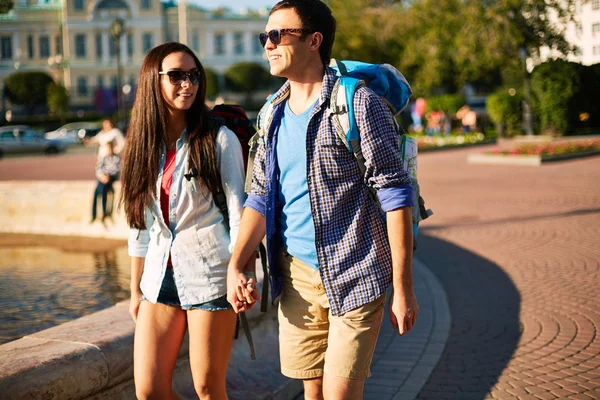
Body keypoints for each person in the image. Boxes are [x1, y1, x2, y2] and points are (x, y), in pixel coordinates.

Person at [226, 1, 419, 399]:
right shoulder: (271, 113)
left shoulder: (357, 104)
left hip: (355, 274)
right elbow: (260, 195)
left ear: (315, 41)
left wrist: (403, 288)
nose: (269, 44)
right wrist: (237, 263)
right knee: (312, 394)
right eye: (266, 35)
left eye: (279, 34)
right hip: (296, 279)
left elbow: (396, 197)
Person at [120, 42, 252, 400]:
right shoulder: (140, 145)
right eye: (176, 75)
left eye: (193, 75)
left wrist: (240, 271)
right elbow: (139, 226)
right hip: (158, 279)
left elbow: (240, 214)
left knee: (208, 389)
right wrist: (135, 290)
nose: (187, 84)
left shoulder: (216, 138)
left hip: (210, 275)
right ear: (153, 80)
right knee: (149, 390)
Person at [91, 141, 120, 223]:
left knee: (102, 189)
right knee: (96, 192)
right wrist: (102, 176)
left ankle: (104, 212)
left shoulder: (116, 158)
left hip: (111, 177)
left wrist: (108, 176)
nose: (109, 150)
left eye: (110, 148)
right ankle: (94, 214)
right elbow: (98, 169)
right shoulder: (104, 158)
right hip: (103, 178)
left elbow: (116, 169)